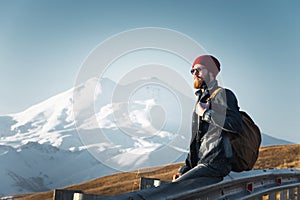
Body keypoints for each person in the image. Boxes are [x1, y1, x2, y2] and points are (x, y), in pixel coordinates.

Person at [173, 55, 242, 183]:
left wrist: (206, 114)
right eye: (192, 71)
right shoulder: (201, 100)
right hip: (203, 164)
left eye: (198, 69)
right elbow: (196, 142)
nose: (195, 73)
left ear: (211, 72)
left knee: (175, 188)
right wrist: (185, 170)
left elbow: (236, 124)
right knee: (178, 184)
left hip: (216, 164)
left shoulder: (224, 94)